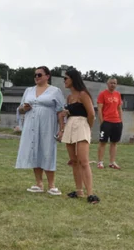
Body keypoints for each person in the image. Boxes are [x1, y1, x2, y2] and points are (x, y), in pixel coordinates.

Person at [15, 66, 64, 195]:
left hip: (47, 125)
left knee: (47, 151)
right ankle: (38, 183)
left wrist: (61, 129)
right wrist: (24, 108)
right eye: (35, 75)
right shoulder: (29, 90)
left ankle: (52, 185)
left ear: (47, 76)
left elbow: (60, 111)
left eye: (39, 75)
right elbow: (20, 109)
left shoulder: (55, 91)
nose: (36, 77)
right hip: (31, 125)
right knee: (34, 150)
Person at [61, 68, 100, 204]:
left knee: (84, 161)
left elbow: (91, 114)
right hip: (70, 126)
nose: (64, 81)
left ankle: (90, 193)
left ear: (73, 79)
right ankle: (79, 191)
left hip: (82, 125)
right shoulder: (69, 97)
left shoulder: (83, 94)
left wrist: (87, 127)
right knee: (74, 161)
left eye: (66, 78)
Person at [97, 77, 123, 169]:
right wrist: (102, 122)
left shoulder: (118, 94)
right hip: (106, 122)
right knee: (103, 142)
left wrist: (121, 121)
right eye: (111, 83)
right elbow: (99, 109)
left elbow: (119, 108)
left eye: (115, 83)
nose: (113, 85)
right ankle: (100, 162)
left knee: (114, 142)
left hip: (117, 122)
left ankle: (112, 162)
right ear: (107, 84)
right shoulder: (102, 94)